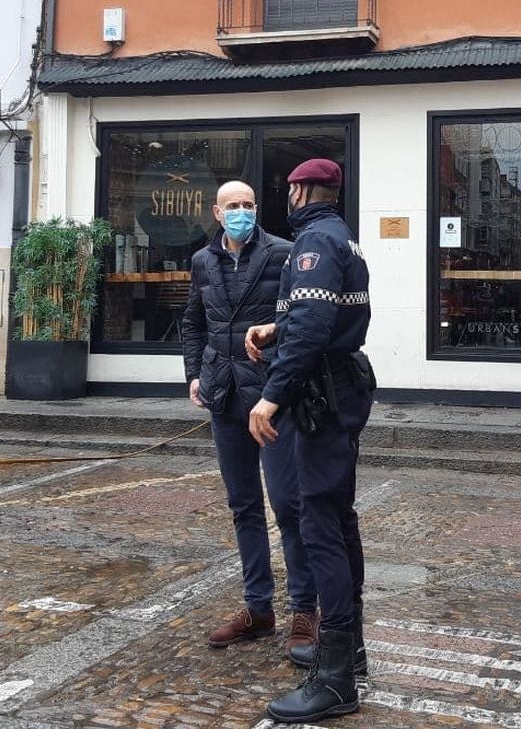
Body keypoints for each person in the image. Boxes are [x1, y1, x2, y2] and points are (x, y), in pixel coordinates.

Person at [246, 158, 375, 724]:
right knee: (336, 517)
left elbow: (316, 328)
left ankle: (336, 677)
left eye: (287, 189)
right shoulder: (340, 238)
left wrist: (272, 393)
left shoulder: (314, 242)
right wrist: (277, 326)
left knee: (319, 519)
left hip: (322, 390)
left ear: (297, 189)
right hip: (338, 382)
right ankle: (352, 651)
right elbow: (321, 313)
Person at [181, 181, 317, 662]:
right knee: (243, 506)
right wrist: (195, 373)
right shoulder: (202, 261)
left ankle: (306, 609)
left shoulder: (285, 253)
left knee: (288, 504)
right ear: (216, 213)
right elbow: (194, 323)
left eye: (248, 205)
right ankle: (258, 608)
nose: (241, 212)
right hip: (224, 394)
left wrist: (281, 384)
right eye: (232, 206)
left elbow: (301, 320)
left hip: (271, 398)